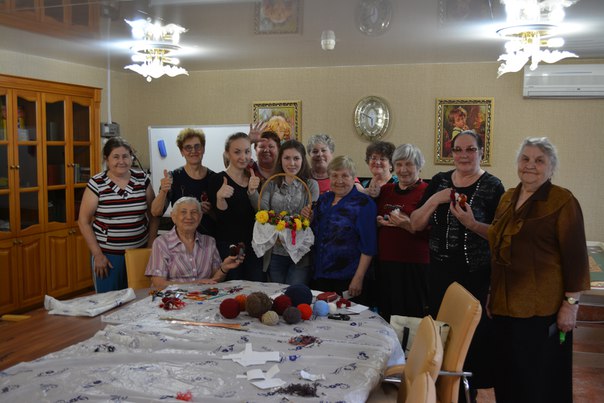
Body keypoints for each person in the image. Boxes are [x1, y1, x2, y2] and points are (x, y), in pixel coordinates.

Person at [487, 137, 590, 403]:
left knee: (538, 382)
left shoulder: (562, 200)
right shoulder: (507, 198)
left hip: (540, 311)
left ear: (551, 167)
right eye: (525, 159)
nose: (530, 165)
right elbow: (497, 249)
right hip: (503, 307)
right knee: (507, 377)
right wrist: (491, 293)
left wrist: (571, 304)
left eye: (539, 160)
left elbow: (576, 257)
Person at [410, 130, 504, 401]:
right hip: (439, 275)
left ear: (481, 152)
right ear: (451, 153)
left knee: (469, 342)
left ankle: (464, 394)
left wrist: (472, 224)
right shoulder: (439, 181)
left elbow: (502, 236)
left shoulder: (493, 187)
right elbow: (415, 224)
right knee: (440, 337)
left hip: (475, 277)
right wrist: (435, 199)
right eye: (458, 150)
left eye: (470, 149)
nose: (464, 155)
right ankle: (438, 392)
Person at [78, 137, 158, 293]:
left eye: (125, 156)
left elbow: (154, 215)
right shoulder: (97, 183)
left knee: (139, 299)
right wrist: (98, 255)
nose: (121, 161)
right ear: (106, 159)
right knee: (109, 301)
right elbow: (83, 221)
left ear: (131, 158)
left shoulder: (142, 179)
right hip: (108, 257)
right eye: (116, 157)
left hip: (139, 252)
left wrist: (150, 247)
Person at [249, 140, 319, 285]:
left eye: (296, 158)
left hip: (299, 253)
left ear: (302, 160)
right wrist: (252, 191)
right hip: (275, 252)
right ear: (280, 160)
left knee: (295, 292)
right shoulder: (271, 184)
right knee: (277, 293)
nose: (291, 163)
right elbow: (262, 211)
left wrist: (309, 215)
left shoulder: (311, 185)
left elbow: (310, 219)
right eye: (287, 158)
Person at [311, 155, 377, 302]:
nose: (339, 180)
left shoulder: (364, 204)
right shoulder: (324, 200)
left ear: (354, 178)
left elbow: (368, 246)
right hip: (320, 275)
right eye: (334, 175)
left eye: (345, 176)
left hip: (348, 277)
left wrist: (358, 278)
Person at [375, 144, 429, 322]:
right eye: (399, 164)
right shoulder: (386, 190)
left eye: (409, 164)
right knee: (387, 314)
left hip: (415, 264)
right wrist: (377, 222)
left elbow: (433, 232)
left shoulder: (427, 192)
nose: (403, 170)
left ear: (419, 166)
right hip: (386, 263)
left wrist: (408, 225)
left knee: (412, 318)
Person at [145, 197, 242, 288]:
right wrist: (195, 284)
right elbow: (159, 283)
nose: (189, 217)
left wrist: (224, 268)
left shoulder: (209, 242)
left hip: (203, 297)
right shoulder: (162, 243)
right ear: (173, 217)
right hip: (172, 298)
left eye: (194, 212)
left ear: (200, 217)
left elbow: (214, 281)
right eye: (183, 212)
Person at [208, 132, 264, 282]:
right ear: (227, 153)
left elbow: (261, 214)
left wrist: (253, 192)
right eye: (237, 152)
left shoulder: (254, 179)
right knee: (233, 289)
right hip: (229, 246)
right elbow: (221, 218)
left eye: (247, 151)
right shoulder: (217, 179)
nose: (243, 157)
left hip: (253, 246)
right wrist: (220, 198)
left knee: (256, 288)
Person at [150, 128, 216, 236]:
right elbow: (155, 212)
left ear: (203, 149)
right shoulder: (173, 177)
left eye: (197, 146)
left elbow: (223, 218)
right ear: (182, 151)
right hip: (180, 241)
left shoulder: (214, 178)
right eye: (188, 147)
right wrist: (163, 191)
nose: (193, 151)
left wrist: (210, 211)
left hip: (209, 241)